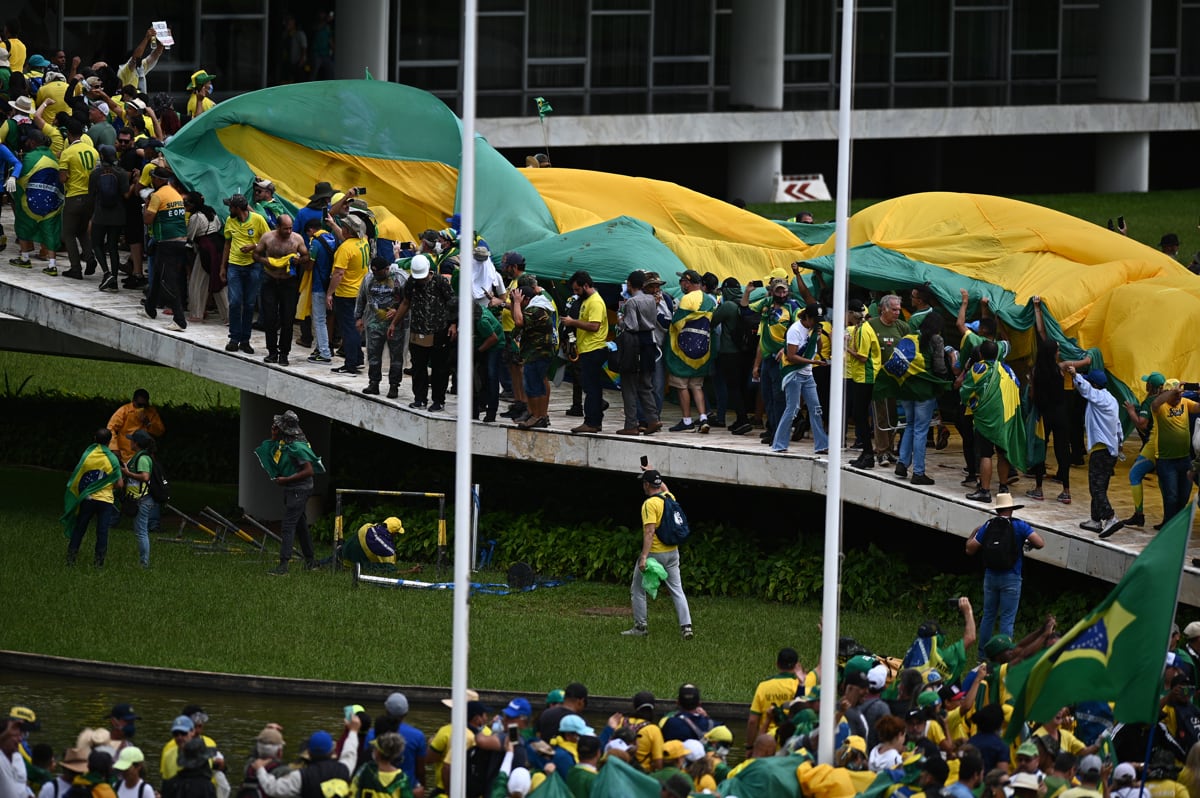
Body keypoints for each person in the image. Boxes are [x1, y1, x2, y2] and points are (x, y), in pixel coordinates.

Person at [966, 492, 1044, 645]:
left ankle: (982, 656)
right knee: (1007, 620)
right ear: (1012, 509)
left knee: (988, 616)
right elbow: (1040, 543)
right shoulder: (1019, 525)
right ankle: (1003, 658)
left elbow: (970, 549)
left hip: (990, 576)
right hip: (1012, 577)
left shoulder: (988, 525)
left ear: (997, 510)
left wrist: (973, 533)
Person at [624, 468, 693, 640]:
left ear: (646, 485)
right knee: (677, 589)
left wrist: (644, 557)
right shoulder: (669, 498)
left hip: (655, 554)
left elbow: (649, 532)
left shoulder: (649, 504)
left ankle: (641, 627)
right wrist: (654, 474)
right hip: (672, 552)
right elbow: (665, 488)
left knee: (638, 589)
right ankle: (686, 627)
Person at [254, 411, 325, 575]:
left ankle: (283, 566)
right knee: (300, 525)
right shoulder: (288, 442)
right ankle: (311, 561)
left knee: (288, 526)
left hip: (299, 490)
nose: (276, 428)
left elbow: (309, 470)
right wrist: (273, 436)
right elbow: (271, 452)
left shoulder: (297, 447)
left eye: (278, 426)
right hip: (295, 489)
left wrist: (286, 480)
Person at [390, 253, 457, 411]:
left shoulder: (440, 282)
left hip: (439, 331)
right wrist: (394, 323)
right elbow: (406, 303)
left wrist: (453, 324)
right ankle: (420, 398)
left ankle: (438, 400)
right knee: (418, 367)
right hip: (418, 330)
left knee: (439, 369)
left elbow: (453, 303)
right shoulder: (412, 283)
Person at [1069, 366, 1124, 538]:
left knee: (1097, 488)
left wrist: (1074, 374)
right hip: (1110, 451)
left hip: (1101, 451)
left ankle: (1110, 517)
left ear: (1094, 384)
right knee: (1100, 486)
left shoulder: (1099, 397)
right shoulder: (1111, 399)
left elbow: (1085, 389)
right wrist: (1120, 444)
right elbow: (1118, 425)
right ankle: (1095, 520)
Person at [253, 214, 310, 366]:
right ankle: (272, 351)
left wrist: (299, 261)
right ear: (278, 227)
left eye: (290, 228)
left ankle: (284, 353)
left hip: (288, 282)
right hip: (270, 279)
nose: (289, 231)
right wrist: (266, 261)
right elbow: (256, 254)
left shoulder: (297, 239)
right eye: (285, 228)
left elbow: (306, 256)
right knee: (270, 318)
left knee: (287, 319)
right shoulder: (268, 238)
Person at [772, 304, 828, 454]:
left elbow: (819, 349)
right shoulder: (795, 330)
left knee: (816, 409)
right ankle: (779, 443)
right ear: (807, 317)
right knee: (793, 408)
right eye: (814, 320)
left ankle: (822, 444)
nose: (816, 323)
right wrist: (813, 362)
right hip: (794, 373)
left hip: (807, 374)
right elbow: (791, 356)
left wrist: (818, 337)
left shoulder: (812, 331)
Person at [253, 718, 359, 798]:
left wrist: (260, 769)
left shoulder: (300, 776)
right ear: (332, 751)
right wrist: (353, 731)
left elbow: (272, 789)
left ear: (308, 752)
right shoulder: (344, 768)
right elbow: (350, 751)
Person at [665, 269, 716, 433]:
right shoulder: (709, 300)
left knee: (682, 386)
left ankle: (687, 420)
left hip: (683, 352)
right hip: (702, 351)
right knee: (697, 386)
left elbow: (677, 323)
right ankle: (703, 417)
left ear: (687, 282)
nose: (681, 284)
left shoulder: (687, 299)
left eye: (682, 282)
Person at [63, 429, 122, 567]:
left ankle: (71, 558)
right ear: (110, 441)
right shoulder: (113, 459)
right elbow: (119, 483)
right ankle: (98, 562)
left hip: (88, 499)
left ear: (95, 438)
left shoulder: (88, 455)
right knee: (102, 532)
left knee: (80, 528)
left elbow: (78, 475)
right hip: (105, 501)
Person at [7, 128, 63, 272]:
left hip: (31, 203)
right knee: (51, 230)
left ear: (31, 142)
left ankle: (25, 258)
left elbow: (19, 179)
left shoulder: (29, 158)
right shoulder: (53, 157)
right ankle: (52, 265)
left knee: (23, 223)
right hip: (52, 203)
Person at [220, 193, 270, 354]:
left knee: (249, 304)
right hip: (234, 265)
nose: (228, 209)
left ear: (237, 208)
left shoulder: (257, 220)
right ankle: (234, 338)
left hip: (253, 265)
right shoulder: (229, 221)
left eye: (230, 206)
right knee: (235, 302)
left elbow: (268, 240)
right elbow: (227, 243)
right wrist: (223, 266)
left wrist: (253, 246)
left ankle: (245, 340)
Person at [141, 168, 189, 331]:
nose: (152, 181)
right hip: (181, 240)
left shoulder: (157, 195)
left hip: (166, 241)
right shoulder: (174, 193)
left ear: (158, 179)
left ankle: (179, 319)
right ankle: (150, 308)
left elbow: (148, 220)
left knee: (168, 280)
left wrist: (146, 207)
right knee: (158, 274)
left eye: (153, 178)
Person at [562, 271, 608, 434]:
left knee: (591, 388)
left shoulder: (595, 302)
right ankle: (594, 421)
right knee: (590, 387)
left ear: (586, 286)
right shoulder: (585, 300)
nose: (576, 293)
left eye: (577, 290)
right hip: (586, 348)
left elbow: (594, 326)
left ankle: (592, 422)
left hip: (593, 349)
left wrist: (572, 322)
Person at [616, 270, 661, 436]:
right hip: (650, 343)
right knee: (646, 385)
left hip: (635, 345)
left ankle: (631, 425)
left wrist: (621, 321)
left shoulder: (631, 302)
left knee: (628, 385)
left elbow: (632, 325)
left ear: (629, 284)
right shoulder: (651, 300)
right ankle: (653, 419)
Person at [868, 294, 911, 464]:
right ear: (883, 309)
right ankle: (881, 451)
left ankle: (890, 449)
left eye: (898, 310)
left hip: (897, 380)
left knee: (894, 417)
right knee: (881, 416)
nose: (897, 313)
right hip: (879, 379)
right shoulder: (871, 326)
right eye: (893, 310)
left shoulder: (903, 327)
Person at [1150, 380, 1200, 526]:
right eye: (1175, 394)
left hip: (1184, 458)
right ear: (1167, 393)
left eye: (1180, 393)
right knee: (1171, 496)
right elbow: (1154, 404)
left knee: (1184, 495)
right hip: (1166, 460)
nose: (1178, 396)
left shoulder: (1185, 402)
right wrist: (1172, 392)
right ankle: (1169, 526)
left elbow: (1198, 407)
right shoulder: (1160, 407)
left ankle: (1172, 523)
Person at [356, 257, 407, 397]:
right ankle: (373, 383)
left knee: (396, 356)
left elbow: (408, 300)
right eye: (375, 273)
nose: (376, 276)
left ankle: (394, 385)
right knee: (373, 354)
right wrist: (358, 317)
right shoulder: (368, 279)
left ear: (387, 268)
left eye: (379, 273)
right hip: (374, 322)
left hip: (395, 324)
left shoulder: (400, 278)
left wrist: (397, 309)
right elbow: (361, 298)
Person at [510, 276, 556, 430]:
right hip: (533, 352)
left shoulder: (536, 309)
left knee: (534, 386)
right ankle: (537, 415)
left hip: (538, 353)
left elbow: (518, 322)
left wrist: (516, 303)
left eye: (519, 300)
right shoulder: (534, 307)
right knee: (533, 384)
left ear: (526, 299)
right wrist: (514, 303)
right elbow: (517, 320)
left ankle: (538, 416)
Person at [56, 117, 98, 279]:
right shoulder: (93, 151)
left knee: (68, 233)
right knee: (82, 231)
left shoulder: (67, 153)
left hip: (74, 196)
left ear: (68, 135)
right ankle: (89, 257)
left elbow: (63, 178)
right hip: (90, 198)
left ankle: (75, 268)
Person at [88, 143, 128, 292]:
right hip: (118, 215)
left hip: (100, 214)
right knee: (113, 247)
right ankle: (115, 279)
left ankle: (106, 273)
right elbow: (125, 194)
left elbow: (91, 196)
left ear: (102, 156)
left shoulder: (96, 173)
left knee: (96, 243)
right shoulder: (122, 173)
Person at [120, 430, 159, 569]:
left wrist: (127, 473)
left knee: (142, 532)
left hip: (142, 500)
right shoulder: (140, 456)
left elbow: (145, 477)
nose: (129, 441)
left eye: (132, 440)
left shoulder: (142, 458)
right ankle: (143, 562)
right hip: (139, 499)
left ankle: (144, 563)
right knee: (140, 531)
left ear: (136, 443)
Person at [746, 648, 803, 744]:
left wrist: (749, 747)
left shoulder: (763, 686)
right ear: (797, 665)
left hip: (766, 742)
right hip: (792, 742)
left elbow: (753, 721)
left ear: (777, 664)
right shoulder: (802, 686)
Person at [107, 389, 166, 467]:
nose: (142, 407)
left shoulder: (151, 412)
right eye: (139, 404)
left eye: (145, 405)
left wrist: (148, 423)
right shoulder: (124, 410)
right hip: (125, 454)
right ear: (133, 401)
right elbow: (111, 427)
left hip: (145, 453)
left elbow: (160, 431)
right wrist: (114, 448)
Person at [350, 732, 413, 798]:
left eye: (375, 748)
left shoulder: (365, 769)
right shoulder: (402, 779)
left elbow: (353, 791)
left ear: (378, 752)